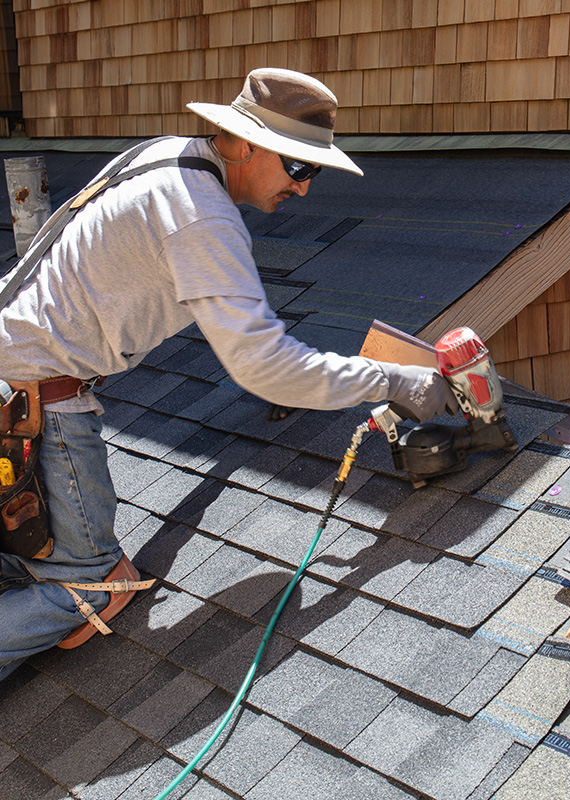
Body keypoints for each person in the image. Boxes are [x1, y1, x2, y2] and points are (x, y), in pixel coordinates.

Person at [0, 68, 457, 680]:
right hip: (36, 400)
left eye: (312, 170)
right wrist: (395, 382)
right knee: (95, 589)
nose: (303, 188)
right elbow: (265, 366)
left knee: (25, 554)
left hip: (12, 375)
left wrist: (315, 378)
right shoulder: (202, 216)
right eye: (296, 166)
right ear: (242, 142)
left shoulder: (166, 156)